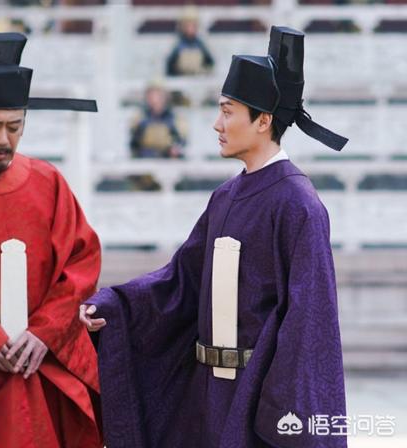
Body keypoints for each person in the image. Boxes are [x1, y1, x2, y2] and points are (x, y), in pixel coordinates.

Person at [80, 26, 348, 448]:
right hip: (205, 396)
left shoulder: (298, 205)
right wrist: (116, 305)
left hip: (257, 401)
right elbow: (180, 282)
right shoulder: (226, 196)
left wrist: (282, 421)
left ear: (263, 120)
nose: (216, 124)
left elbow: (308, 327)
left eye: (227, 111)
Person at [0, 32, 102, 448]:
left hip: (40, 361)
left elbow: (80, 265)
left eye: (15, 127)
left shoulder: (47, 183)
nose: (4, 140)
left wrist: (44, 332)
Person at [130, 81, 187, 159]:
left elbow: (181, 141)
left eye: (157, 95)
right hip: (145, 158)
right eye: (151, 95)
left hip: (168, 159)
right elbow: (134, 144)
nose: (154, 99)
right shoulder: (140, 118)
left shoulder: (174, 118)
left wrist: (175, 149)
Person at [166, 8, 214, 77]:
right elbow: (170, 65)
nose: (190, 29)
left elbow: (210, 62)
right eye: (187, 25)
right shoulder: (178, 45)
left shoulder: (200, 44)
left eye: (193, 26)